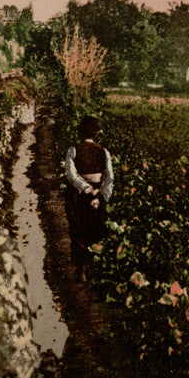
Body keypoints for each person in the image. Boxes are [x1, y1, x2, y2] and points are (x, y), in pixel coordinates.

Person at [64, 114, 114, 283]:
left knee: (77, 229)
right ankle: (90, 267)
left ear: (80, 133)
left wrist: (86, 189)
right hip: (95, 195)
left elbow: (71, 175)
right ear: (96, 134)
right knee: (94, 228)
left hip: (78, 195)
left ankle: (81, 267)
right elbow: (109, 178)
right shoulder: (104, 152)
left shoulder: (73, 150)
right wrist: (100, 195)